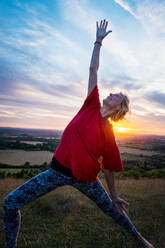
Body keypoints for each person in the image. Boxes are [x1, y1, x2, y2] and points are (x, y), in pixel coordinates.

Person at [3, 19, 155, 248]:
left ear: (119, 106)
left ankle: (141, 240)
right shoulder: (91, 104)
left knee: (114, 212)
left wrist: (114, 196)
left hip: (86, 179)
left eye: (116, 95)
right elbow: (93, 69)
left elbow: (110, 168)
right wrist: (98, 41)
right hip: (56, 171)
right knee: (11, 202)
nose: (111, 92)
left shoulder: (109, 132)